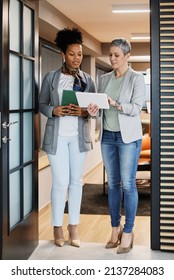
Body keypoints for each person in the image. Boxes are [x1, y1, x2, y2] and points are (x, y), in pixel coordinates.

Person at [39, 27, 98, 248]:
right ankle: (56, 227)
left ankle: (73, 227)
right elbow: (42, 104)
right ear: (63, 54)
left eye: (80, 54)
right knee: (61, 182)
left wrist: (83, 111)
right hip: (57, 138)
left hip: (78, 137)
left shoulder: (88, 79)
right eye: (72, 54)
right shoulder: (51, 78)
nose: (77, 58)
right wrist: (54, 110)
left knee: (76, 182)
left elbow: (96, 109)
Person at [89, 38, 145, 253]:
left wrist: (116, 104)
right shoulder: (103, 79)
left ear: (127, 56)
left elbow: (136, 108)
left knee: (128, 184)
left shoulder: (136, 79)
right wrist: (94, 110)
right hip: (108, 137)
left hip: (128, 138)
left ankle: (128, 232)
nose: (112, 58)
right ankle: (115, 229)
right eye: (110, 54)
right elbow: (100, 108)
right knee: (113, 184)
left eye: (116, 55)